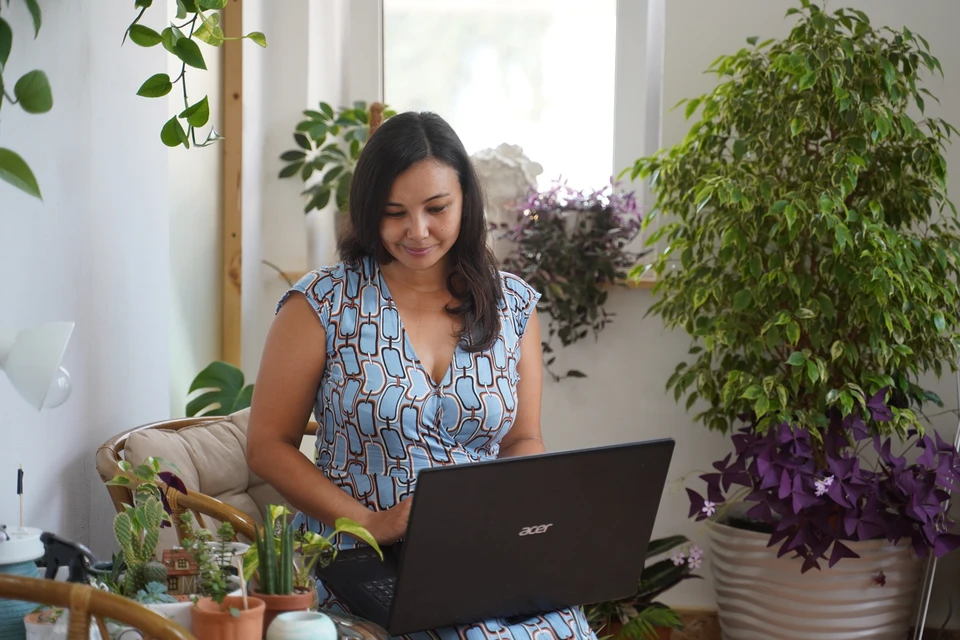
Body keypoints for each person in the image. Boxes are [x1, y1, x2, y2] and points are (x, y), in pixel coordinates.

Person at [247, 111, 596, 640]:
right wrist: (368, 522)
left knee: (559, 627)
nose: (417, 231)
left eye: (437, 208)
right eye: (394, 213)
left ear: (465, 202)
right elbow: (268, 445)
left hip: (479, 553)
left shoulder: (514, 306)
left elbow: (523, 437)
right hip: (356, 556)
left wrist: (517, 523)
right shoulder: (322, 303)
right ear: (368, 213)